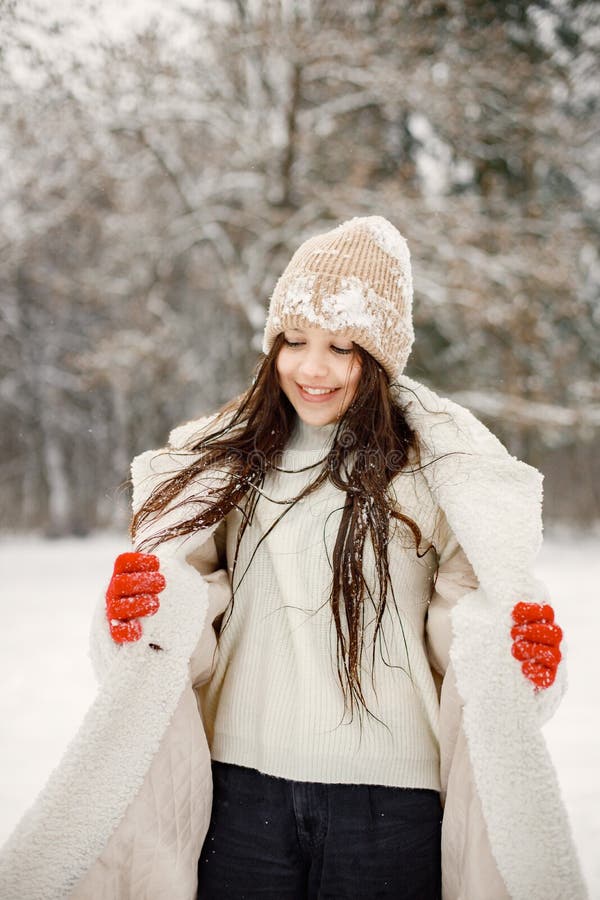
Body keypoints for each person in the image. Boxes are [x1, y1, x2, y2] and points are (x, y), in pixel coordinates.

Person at [0, 217, 587, 900]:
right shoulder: (227, 465)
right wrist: (136, 616)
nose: (312, 368)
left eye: (342, 347)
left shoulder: (435, 476)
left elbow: (469, 638)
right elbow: (180, 632)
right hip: (242, 799)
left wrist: (521, 661)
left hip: (390, 810)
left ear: (381, 357)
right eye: (295, 341)